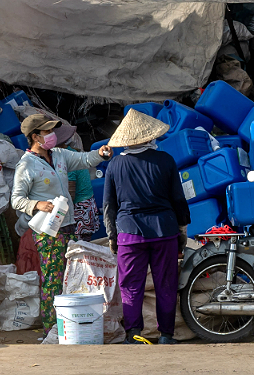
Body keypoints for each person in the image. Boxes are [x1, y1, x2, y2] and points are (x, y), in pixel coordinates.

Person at [10, 114, 112, 335]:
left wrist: (101, 154)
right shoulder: (26, 165)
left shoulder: (60, 156)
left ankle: (68, 324)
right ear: (35, 137)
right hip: (47, 231)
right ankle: (51, 329)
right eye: (48, 132)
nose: (53, 135)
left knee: (69, 276)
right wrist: (37, 204)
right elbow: (16, 200)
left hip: (68, 225)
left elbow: (85, 160)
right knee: (52, 278)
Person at [100, 109, 189, 345]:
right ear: (151, 137)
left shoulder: (115, 165)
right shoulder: (166, 160)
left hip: (129, 234)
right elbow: (178, 199)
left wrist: (112, 236)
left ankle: (133, 333)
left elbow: (109, 205)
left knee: (130, 286)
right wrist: (182, 229)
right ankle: (166, 335)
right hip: (164, 231)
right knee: (166, 285)